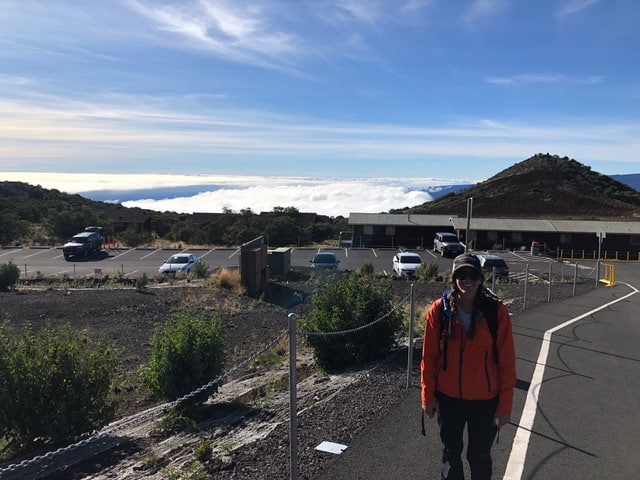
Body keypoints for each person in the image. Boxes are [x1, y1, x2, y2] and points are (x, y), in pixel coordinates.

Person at [421, 253, 516, 480]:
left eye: (473, 274)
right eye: (461, 274)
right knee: (450, 454)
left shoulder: (496, 313)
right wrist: (428, 396)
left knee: (479, 456)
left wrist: (504, 408)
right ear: (454, 278)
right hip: (448, 399)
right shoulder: (439, 311)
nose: (467, 279)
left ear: (481, 278)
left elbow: (507, 363)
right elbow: (429, 358)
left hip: (485, 401)